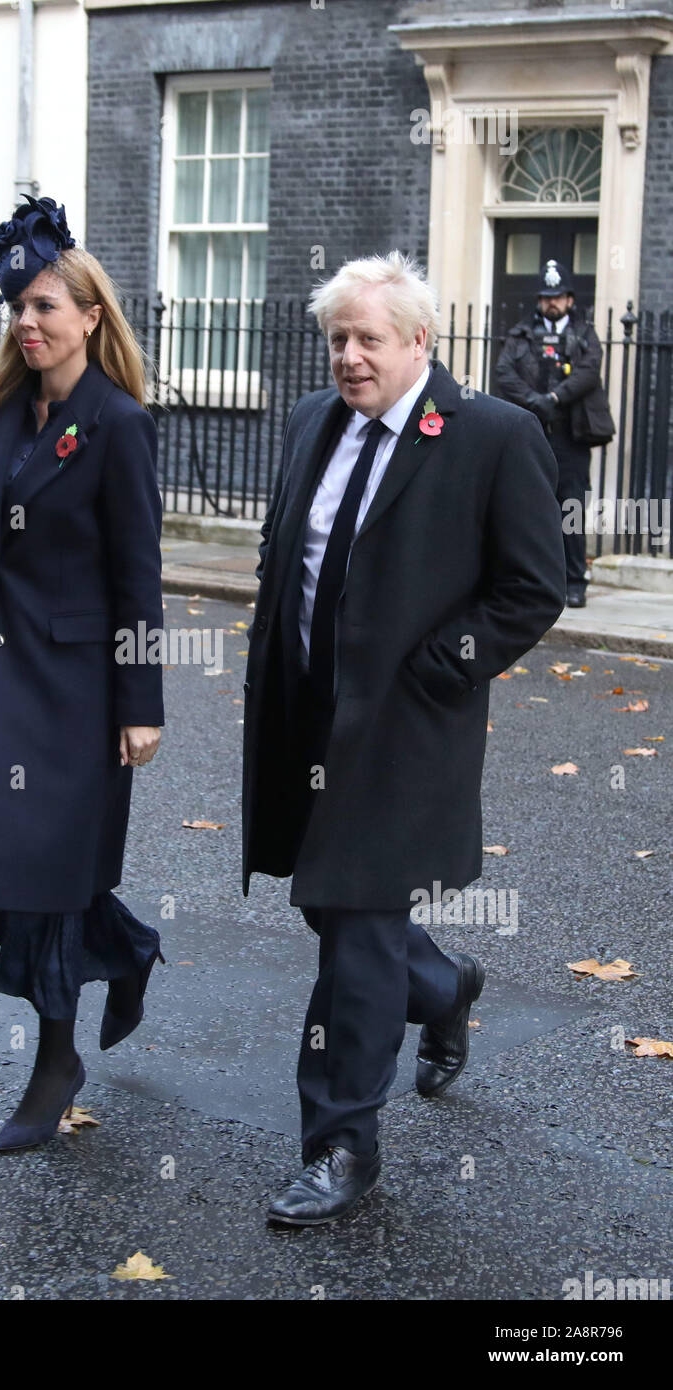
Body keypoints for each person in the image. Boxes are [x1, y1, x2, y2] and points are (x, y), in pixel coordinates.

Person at [241, 251, 566, 1226]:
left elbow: (531, 586)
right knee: (341, 918)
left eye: (366, 339)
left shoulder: (490, 437)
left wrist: (441, 665)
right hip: (304, 718)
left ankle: (341, 1144)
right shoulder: (310, 422)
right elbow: (287, 552)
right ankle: (441, 979)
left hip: (400, 728)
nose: (347, 356)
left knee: (348, 932)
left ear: (417, 343)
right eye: (336, 338)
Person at [0, 196, 165, 1152]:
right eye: (18, 306)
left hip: (80, 692)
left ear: (90, 316)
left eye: (47, 306)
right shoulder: (3, 419)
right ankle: (127, 948)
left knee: (43, 885)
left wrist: (141, 702)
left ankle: (56, 1063)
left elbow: (138, 572)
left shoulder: (118, 425)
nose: (28, 322)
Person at [493, 260, 610, 608]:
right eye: (546, 297)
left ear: (571, 299)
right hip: (531, 433)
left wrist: (555, 398)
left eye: (558, 297)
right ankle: (538, 580)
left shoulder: (585, 334)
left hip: (570, 437)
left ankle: (575, 581)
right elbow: (504, 370)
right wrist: (533, 400)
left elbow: (589, 373)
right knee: (529, 506)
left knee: (571, 507)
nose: (552, 303)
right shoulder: (521, 332)